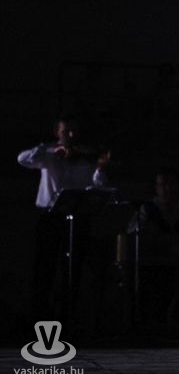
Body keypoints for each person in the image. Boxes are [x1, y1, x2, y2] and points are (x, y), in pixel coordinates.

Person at [17, 113, 112, 320]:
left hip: (78, 218)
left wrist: (100, 169)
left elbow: (98, 186)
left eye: (74, 131)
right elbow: (22, 159)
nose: (71, 135)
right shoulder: (49, 154)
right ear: (56, 133)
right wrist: (51, 149)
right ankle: (40, 316)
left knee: (73, 269)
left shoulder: (85, 154)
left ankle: (68, 316)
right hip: (50, 217)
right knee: (45, 268)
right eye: (65, 131)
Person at [127, 167, 179, 331]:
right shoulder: (147, 209)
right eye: (163, 184)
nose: (168, 188)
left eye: (172, 184)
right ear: (156, 188)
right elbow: (132, 233)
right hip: (154, 264)